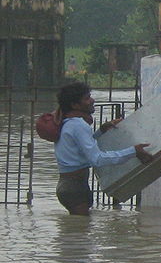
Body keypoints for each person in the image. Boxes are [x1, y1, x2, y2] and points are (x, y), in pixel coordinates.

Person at [52, 82, 153, 215]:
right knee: (80, 232)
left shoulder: (68, 123)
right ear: (75, 105)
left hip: (70, 186)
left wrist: (101, 131)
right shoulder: (78, 125)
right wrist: (133, 151)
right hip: (74, 188)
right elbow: (97, 159)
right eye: (87, 98)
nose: (92, 101)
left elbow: (80, 148)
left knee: (77, 231)